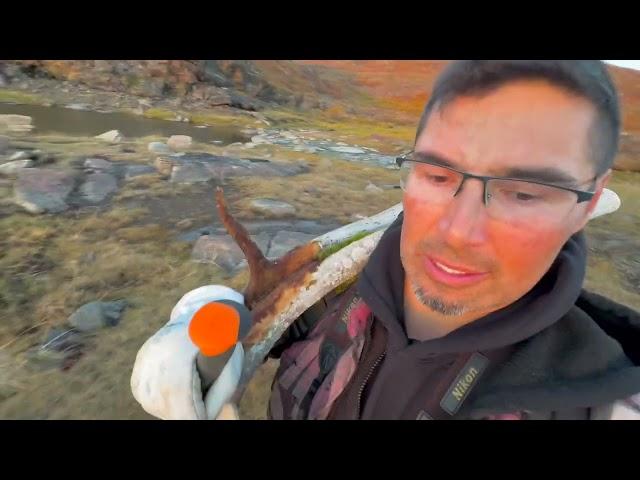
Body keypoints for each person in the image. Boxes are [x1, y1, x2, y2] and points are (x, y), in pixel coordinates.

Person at [131, 60, 640, 420]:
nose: (458, 233)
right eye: (438, 176)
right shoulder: (334, 292)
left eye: (525, 193)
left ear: (589, 205)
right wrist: (196, 328)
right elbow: (259, 324)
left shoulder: (601, 403)